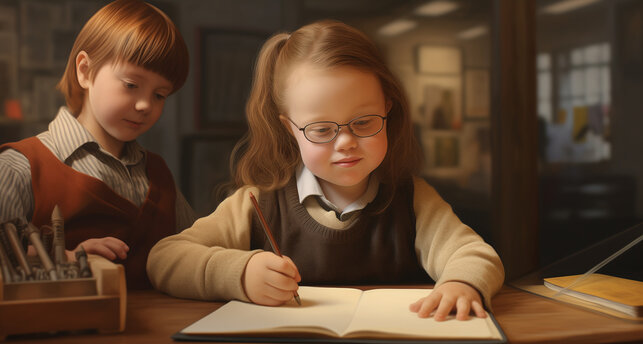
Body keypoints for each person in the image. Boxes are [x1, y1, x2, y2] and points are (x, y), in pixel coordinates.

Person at [147, 20, 504, 320]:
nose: (345, 142)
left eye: (364, 122)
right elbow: (166, 258)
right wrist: (238, 274)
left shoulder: (412, 199)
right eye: (321, 130)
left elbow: (474, 254)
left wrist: (462, 283)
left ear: (388, 109)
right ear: (290, 129)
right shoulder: (258, 202)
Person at [0, 0, 195, 289]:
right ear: (85, 71)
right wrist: (64, 258)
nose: (144, 105)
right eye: (131, 85)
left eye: (160, 95)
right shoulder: (18, 167)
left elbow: (194, 246)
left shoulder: (159, 174)